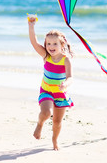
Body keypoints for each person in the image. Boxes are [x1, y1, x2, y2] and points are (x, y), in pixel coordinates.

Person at [28, 15, 74, 151]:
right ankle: (40, 123)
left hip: (60, 93)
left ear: (62, 45)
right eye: (48, 43)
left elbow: (70, 77)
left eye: (55, 44)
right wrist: (31, 26)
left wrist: (65, 84)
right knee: (47, 112)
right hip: (46, 91)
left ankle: (54, 140)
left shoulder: (66, 60)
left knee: (57, 121)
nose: (51, 46)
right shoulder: (46, 56)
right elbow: (34, 42)